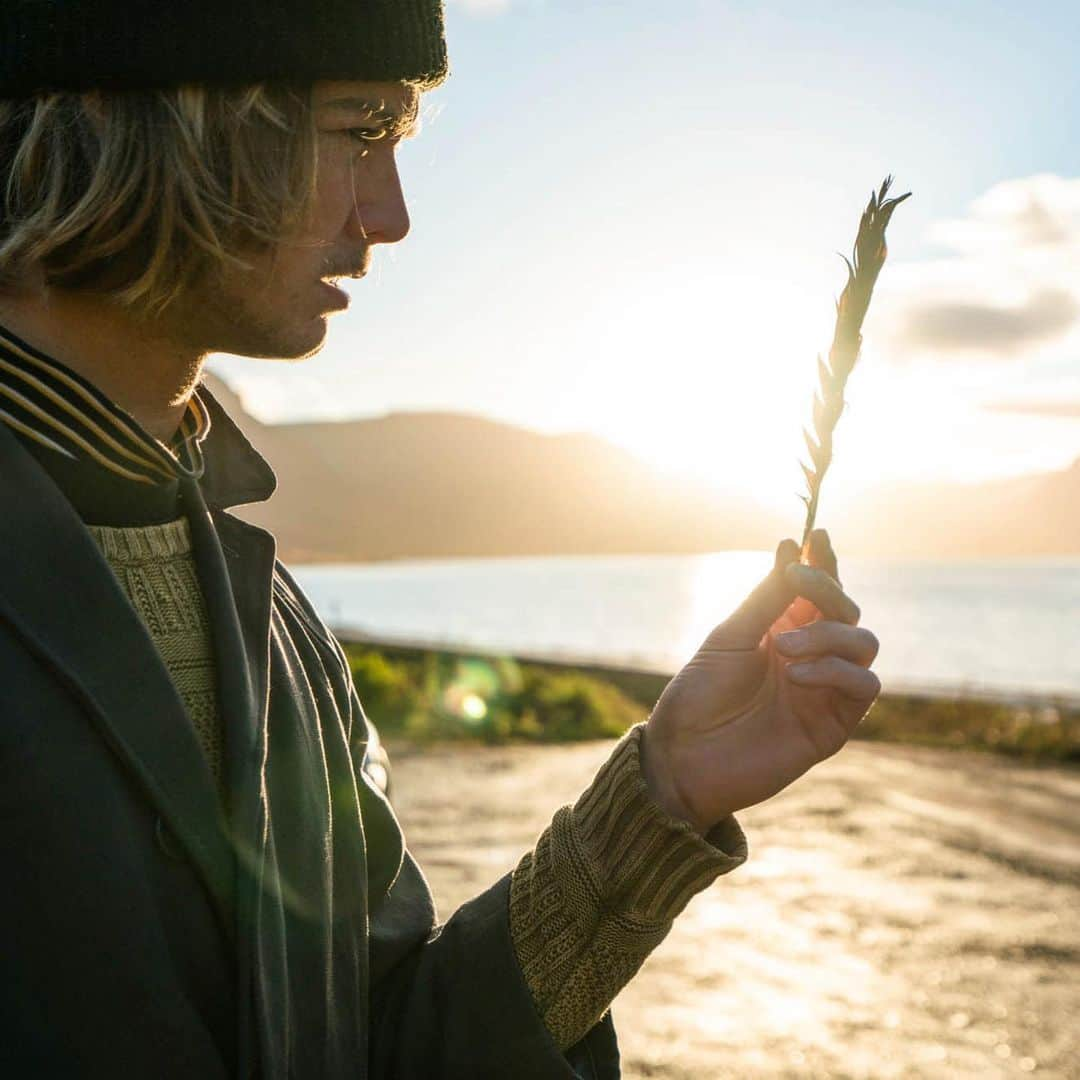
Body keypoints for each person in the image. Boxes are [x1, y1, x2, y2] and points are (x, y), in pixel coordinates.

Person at [0, 3, 881, 1077]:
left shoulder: (267, 615)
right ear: (157, 109)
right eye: (357, 129)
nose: (391, 216)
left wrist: (665, 793)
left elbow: (380, 1044)